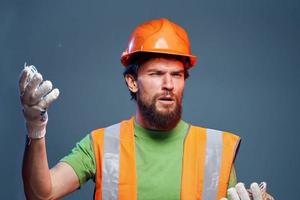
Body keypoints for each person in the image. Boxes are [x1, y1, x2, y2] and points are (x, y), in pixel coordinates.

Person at [20, 18, 274, 200]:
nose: (168, 85)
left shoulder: (215, 149)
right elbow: (42, 194)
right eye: (156, 74)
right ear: (132, 81)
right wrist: (35, 128)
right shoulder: (102, 144)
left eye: (177, 75)